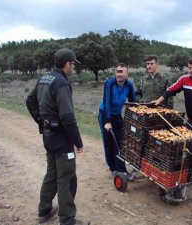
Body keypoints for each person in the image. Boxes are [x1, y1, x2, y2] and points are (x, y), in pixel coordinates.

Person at [26, 48, 90, 225]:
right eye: (73, 65)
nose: (74, 68)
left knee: (52, 173)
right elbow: (68, 118)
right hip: (61, 139)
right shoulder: (61, 83)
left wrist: (41, 121)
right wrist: (78, 142)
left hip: (48, 136)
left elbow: (29, 101)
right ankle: (67, 219)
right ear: (67, 64)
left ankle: (44, 211)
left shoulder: (44, 78)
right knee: (67, 177)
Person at [98, 63, 136, 176]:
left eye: (121, 72)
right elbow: (107, 102)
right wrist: (108, 122)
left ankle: (122, 170)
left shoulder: (129, 85)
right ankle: (113, 168)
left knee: (120, 143)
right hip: (105, 114)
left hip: (117, 115)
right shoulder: (110, 83)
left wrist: (136, 118)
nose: (119, 74)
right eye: (117, 72)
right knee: (108, 142)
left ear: (126, 73)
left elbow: (133, 103)